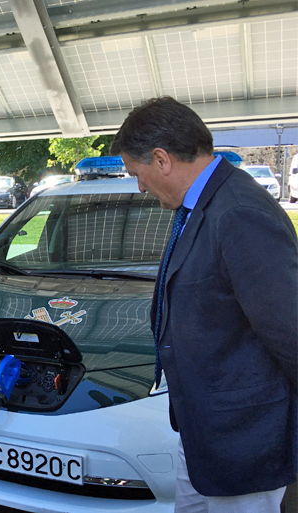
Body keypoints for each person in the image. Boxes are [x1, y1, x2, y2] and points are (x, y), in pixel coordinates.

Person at [111, 96, 298, 513]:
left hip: (244, 437)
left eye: (136, 173)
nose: (139, 186)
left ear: (161, 160)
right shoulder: (203, 205)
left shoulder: (238, 212)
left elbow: (289, 328)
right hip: (204, 429)